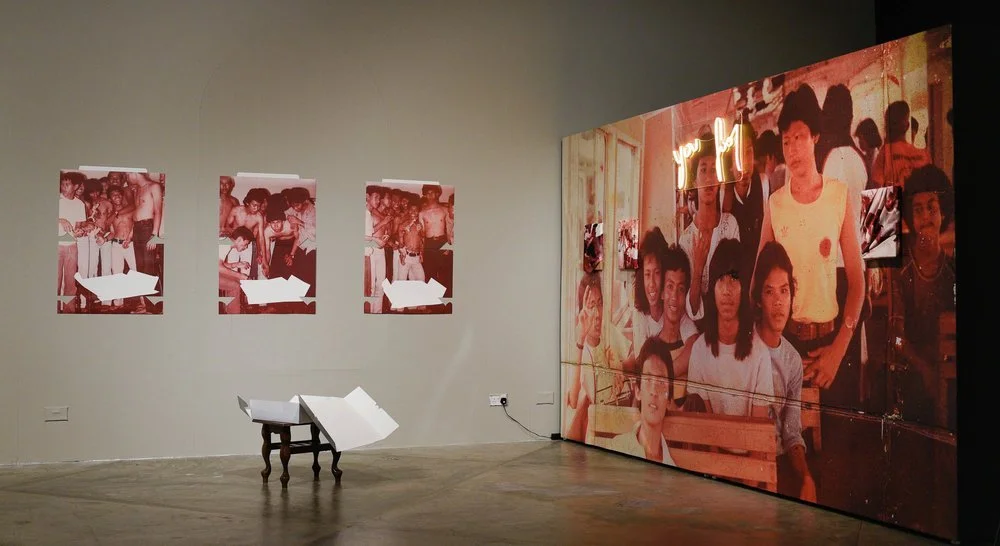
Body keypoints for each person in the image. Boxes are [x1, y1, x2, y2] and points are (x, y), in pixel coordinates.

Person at [755, 83, 864, 408]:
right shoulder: (775, 204)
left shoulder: (838, 195)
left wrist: (838, 350)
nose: (792, 149)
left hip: (830, 343)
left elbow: (857, 283)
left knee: (835, 432)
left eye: (799, 137)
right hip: (785, 342)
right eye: (786, 141)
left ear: (815, 136)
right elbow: (758, 279)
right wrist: (768, 344)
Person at [890, 164, 956, 428]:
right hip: (912, 374)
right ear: (910, 217)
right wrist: (923, 368)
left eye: (932, 208)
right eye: (917, 210)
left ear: (944, 212)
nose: (926, 217)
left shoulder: (952, 272)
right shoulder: (901, 273)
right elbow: (895, 338)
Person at [752, 241, 816, 502]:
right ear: (758, 299)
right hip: (747, 464)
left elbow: (791, 432)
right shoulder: (744, 346)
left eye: (784, 291)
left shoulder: (792, 360)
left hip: (780, 464)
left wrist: (806, 477)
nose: (778, 302)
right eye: (769, 292)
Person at [688, 238, 774, 418]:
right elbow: (704, 425)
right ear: (712, 289)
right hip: (711, 437)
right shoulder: (699, 351)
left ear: (744, 288)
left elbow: (758, 430)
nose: (727, 290)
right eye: (720, 279)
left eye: (734, 279)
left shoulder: (760, 355)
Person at [605, 337, 680, 464]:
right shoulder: (616, 449)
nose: (654, 391)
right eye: (648, 379)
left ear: (669, 399)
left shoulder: (671, 468)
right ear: (638, 391)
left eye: (661, 382)